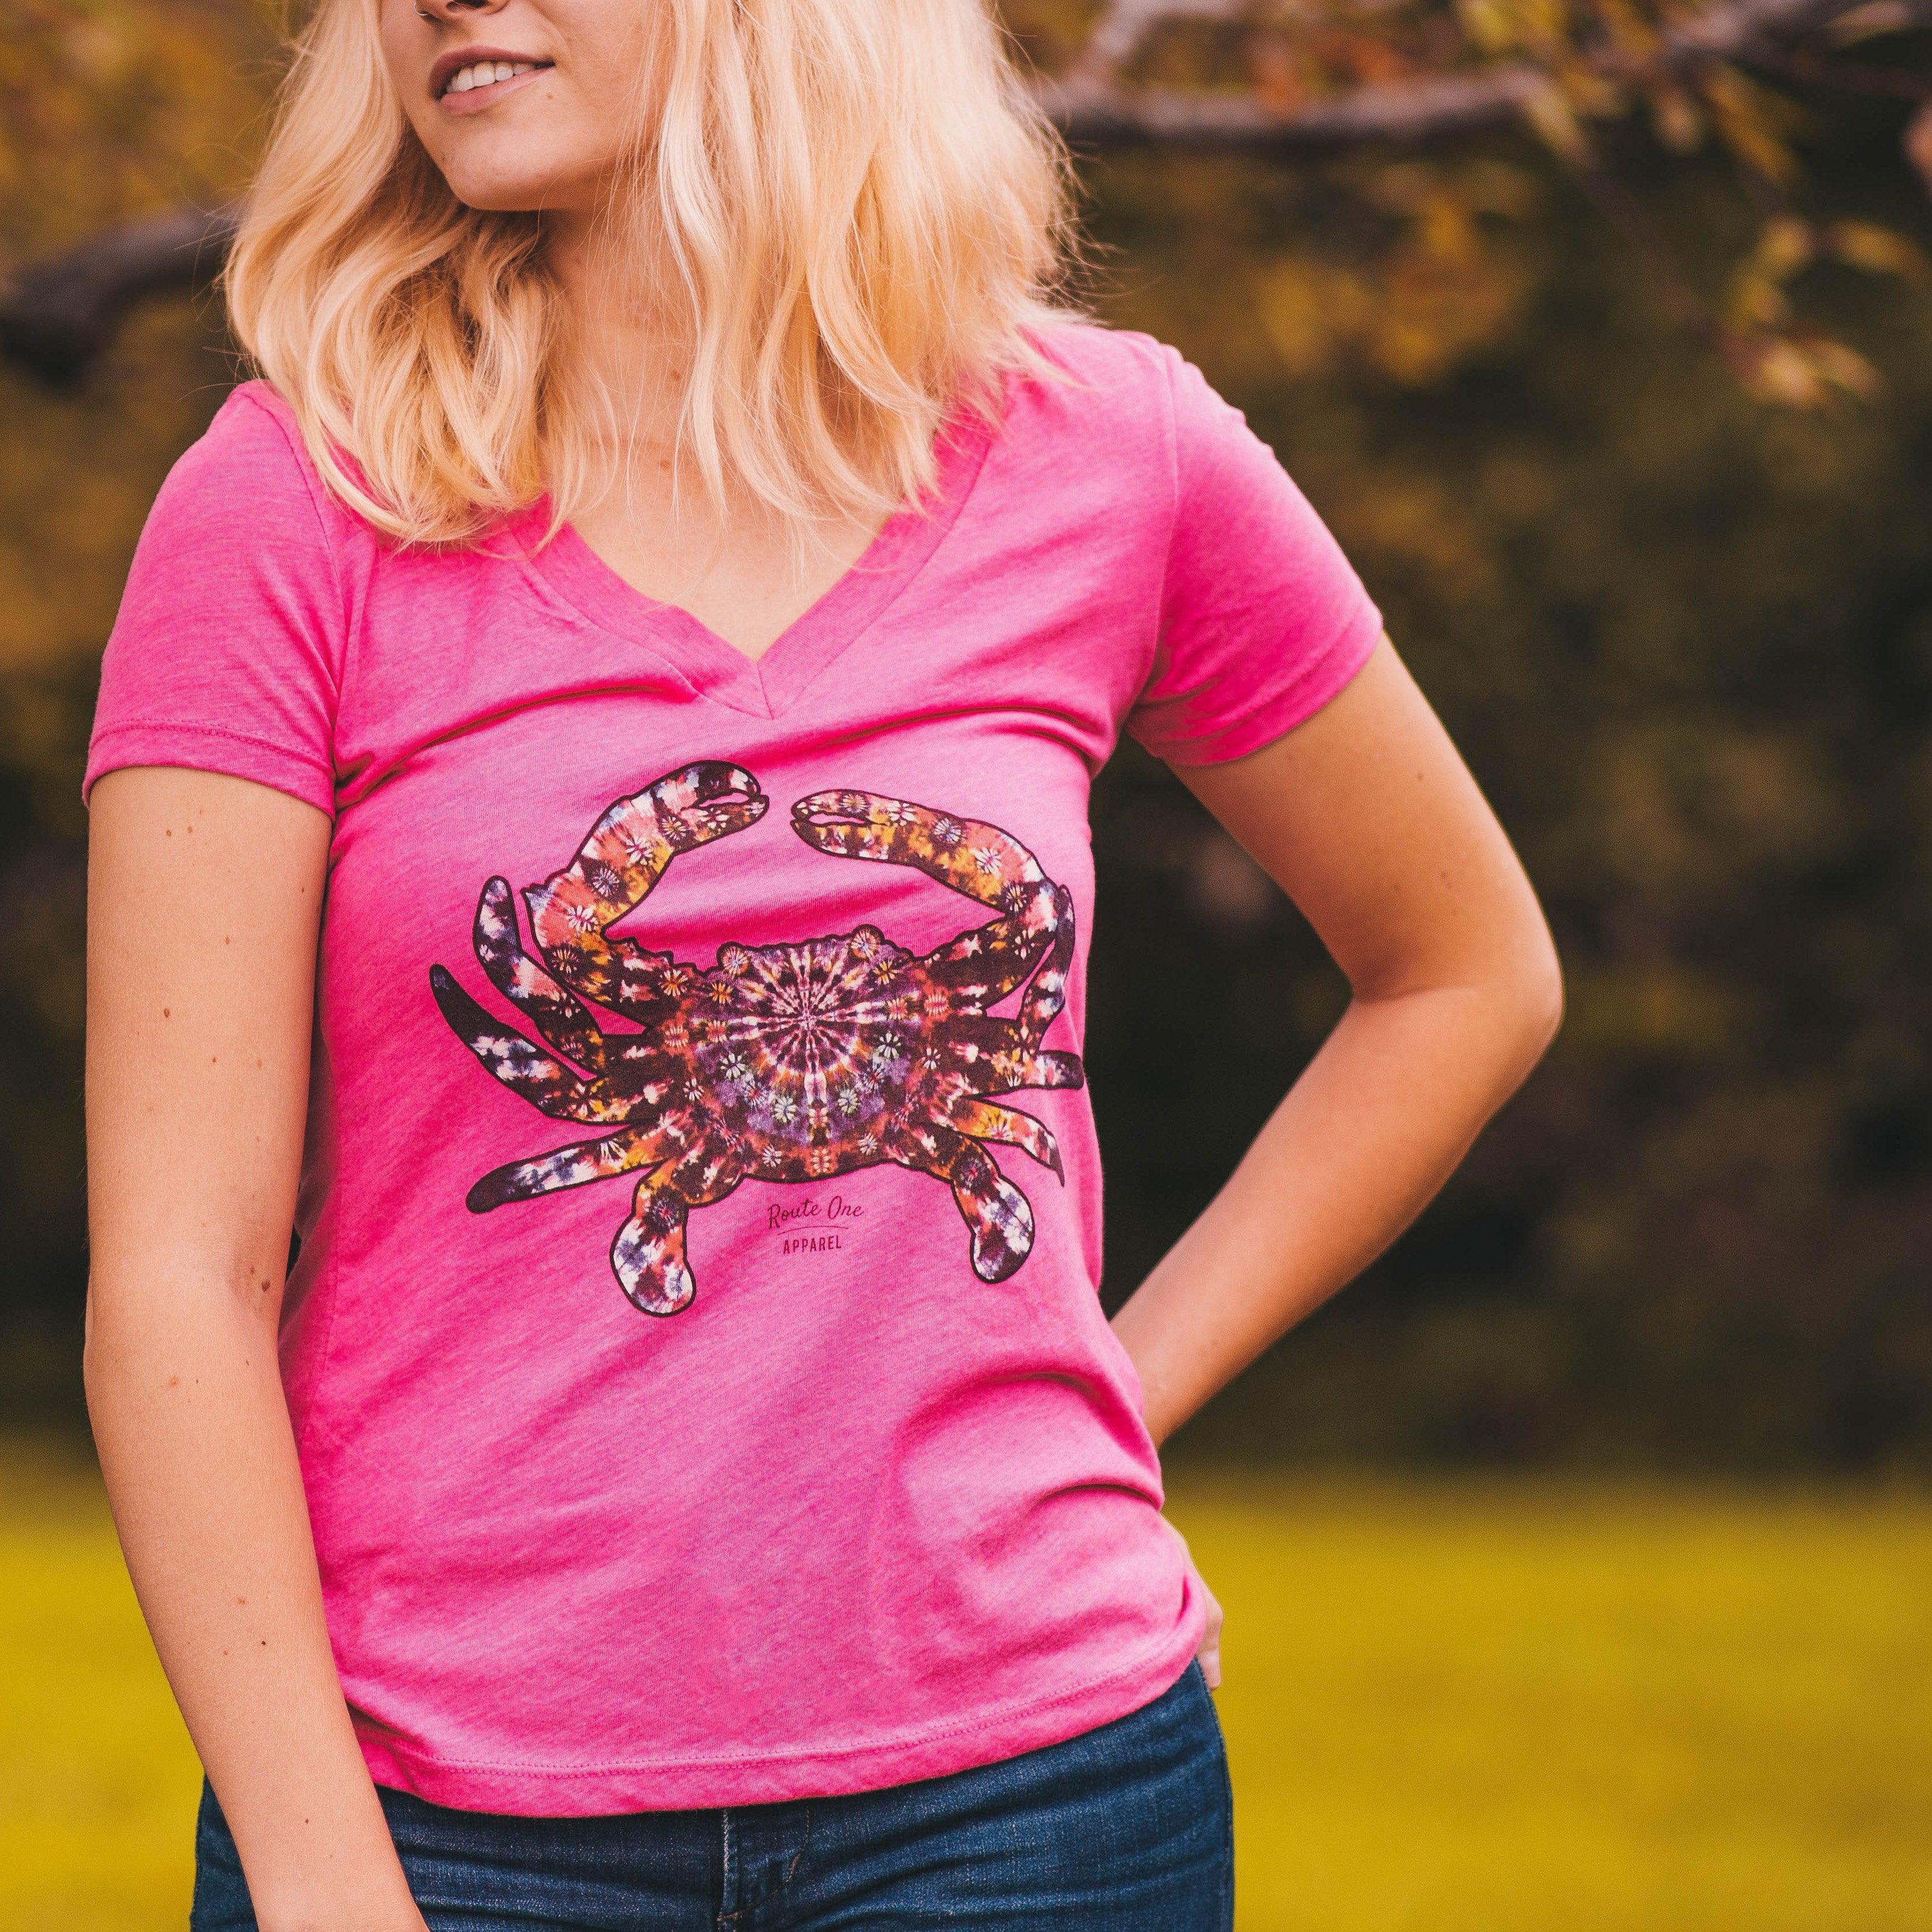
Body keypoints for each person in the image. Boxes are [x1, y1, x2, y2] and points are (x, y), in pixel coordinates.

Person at [79, 0, 1563, 1926]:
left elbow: (1460, 972)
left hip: (1033, 1809)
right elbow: (178, 1275)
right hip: (441, 1816)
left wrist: (1116, 1397)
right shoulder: (292, 506)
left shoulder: (1109, 452)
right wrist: (316, 1868)